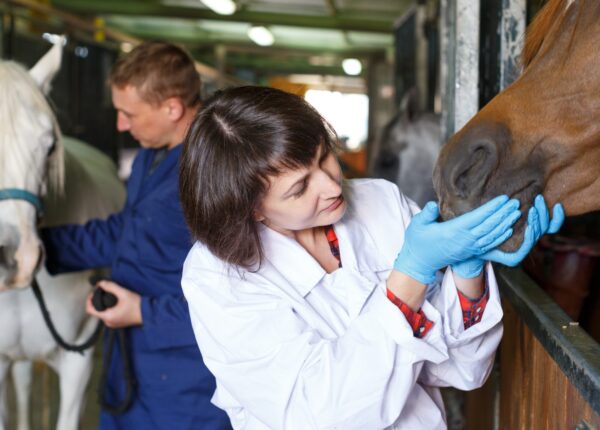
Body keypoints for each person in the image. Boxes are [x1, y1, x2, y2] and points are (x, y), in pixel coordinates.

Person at [178, 86, 564, 430]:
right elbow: (319, 416)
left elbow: (463, 370)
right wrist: (408, 279)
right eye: (299, 189)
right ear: (252, 210)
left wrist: (468, 272)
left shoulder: (379, 201)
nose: (331, 185)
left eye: (324, 157)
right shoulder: (218, 277)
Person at [41, 42, 232, 429]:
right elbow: (126, 232)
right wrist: (38, 249)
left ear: (172, 108)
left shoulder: (218, 175)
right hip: (130, 370)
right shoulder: (152, 155)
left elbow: (236, 299)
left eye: (129, 114)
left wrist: (142, 312)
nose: (120, 126)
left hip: (185, 383)